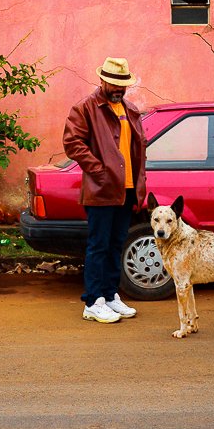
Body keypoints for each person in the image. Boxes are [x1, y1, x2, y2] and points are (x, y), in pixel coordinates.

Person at [62, 57, 147, 323]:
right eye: (113, 83)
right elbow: (73, 143)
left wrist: (139, 183)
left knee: (116, 245)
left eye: (123, 84)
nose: (118, 88)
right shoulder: (86, 108)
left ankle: (110, 295)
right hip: (101, 189)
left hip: (127, 189)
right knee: (98, 246)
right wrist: (99, 171)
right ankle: (93, 301)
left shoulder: (130, 109)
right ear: (102, 80)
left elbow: (137, 149)